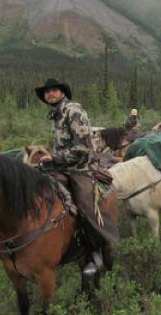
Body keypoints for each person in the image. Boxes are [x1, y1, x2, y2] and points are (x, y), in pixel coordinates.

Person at [34, 78, 120, 277]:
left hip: (81, 169)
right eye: (46, 92)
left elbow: (81, 148)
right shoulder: (55, 115)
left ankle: (95, 253)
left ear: (63, 93)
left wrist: (54, 158)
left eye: (54, 90)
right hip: (61, 167)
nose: (50, 94)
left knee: (85, 205)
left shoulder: (73, 111)